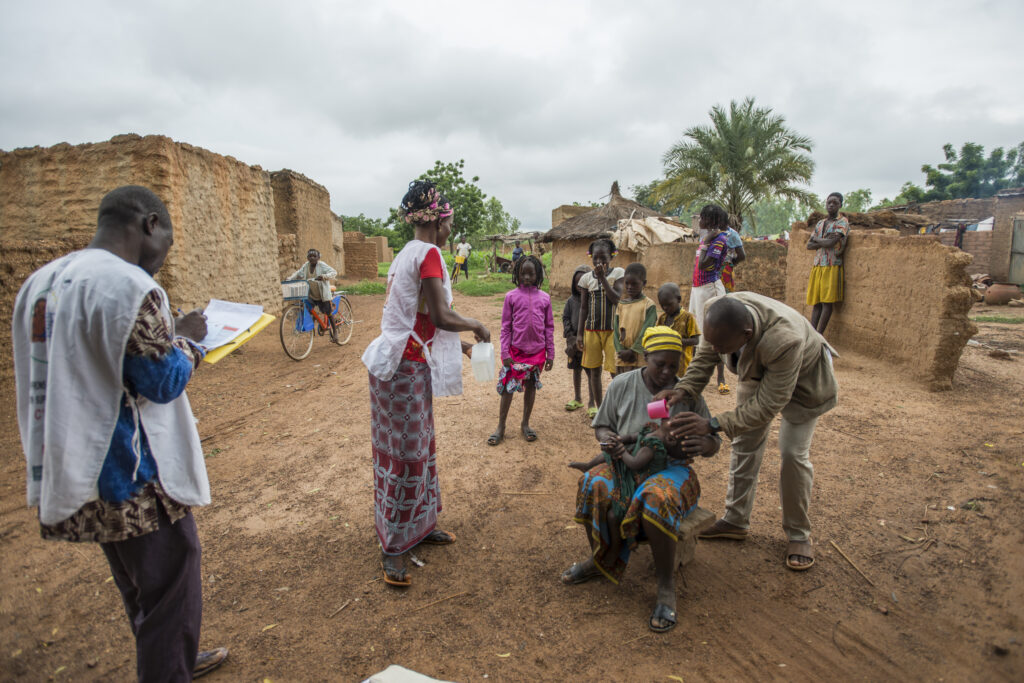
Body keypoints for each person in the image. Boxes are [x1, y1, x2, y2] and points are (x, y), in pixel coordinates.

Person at [11, 186, 229, 681]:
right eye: (167, 242)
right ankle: (168, 666)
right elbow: (160, 380)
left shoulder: (43, 281)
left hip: (74, 463)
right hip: (132, 472)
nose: (162, 258)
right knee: (173, 572)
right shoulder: (130, 287)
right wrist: (188, 341)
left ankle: (170, 653)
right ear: (151, 224)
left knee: (139, 580)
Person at [362, 180, 491, 588]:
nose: (451, 228)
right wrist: (476, 325)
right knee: (405, 455)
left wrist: (465, 348)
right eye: (450, 220)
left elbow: (416, 318)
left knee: (416, 450)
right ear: (437, 220)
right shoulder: (431, 254)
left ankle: (419, 526)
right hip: (405, 368)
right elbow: (439, 316)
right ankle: (394, 547)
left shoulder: (405, 254)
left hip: (397, 363)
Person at [657, 293, 838, 571]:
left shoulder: (785, 339)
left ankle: (799, 534)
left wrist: (713, 424)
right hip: (758, 368)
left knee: (793, 453)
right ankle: (736, 519)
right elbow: (706, 356)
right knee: (744, 442)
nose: (716, 350)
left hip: (805, 381)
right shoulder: (717, 315)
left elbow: (767, 405)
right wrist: (685, 389)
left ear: (746, 334)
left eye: (722, 346)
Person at [562, 327, 720, 633]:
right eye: (660, 363)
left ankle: (665, 587)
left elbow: (712, 439)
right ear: (645, 357)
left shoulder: (687, 393)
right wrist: (610, 442)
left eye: (674, 366)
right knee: (593, 483)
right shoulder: (622, 384)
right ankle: (601, 558)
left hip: (672, 468)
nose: (667, 372)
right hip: (627, 460)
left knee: (656, 497)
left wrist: (708, 445)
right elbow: (603, 426)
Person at [488, 255, 555, 446]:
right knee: (508, 388)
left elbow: (549, 327)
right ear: (517, 273)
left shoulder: (545, 298)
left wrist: (551, 353)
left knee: (531, 386)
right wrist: (505, 353)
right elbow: (505, 327)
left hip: (537, 353)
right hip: (515, 352)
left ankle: (525, 424)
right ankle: (501, 426)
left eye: (531, 273)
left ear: (538, 275)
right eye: (523, 273)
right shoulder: (511, 297)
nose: (526, 277)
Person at [575, 238, 624, 418]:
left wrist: (602, 278)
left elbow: (616, 298)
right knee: (594, 371)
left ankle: (618, 408)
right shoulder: (586, 279)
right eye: (595, 258)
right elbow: (583, 308)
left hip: (612, 331)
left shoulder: (618, 273)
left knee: (615, 371)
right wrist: (580, 334)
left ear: (611, 256)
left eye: (603, 258)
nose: (599, 262)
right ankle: (601, 407)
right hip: (591, 331)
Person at [690, 204, 731, 395]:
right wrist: (705, 241)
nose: (699, 221)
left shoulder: (719, 239)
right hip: (698, 288)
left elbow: (705, 264)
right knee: (698, 330)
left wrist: (706, 242)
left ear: (710, 220)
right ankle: (696, 374)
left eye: (702, 217)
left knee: (715, 331)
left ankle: (721, 377)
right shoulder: (707, 238)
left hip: (709, 289)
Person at [805, 192, 850, 335]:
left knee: (826, 302)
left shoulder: (842, 222)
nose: (831, 205)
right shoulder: (820, 223)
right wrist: (823, 241)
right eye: (829, 202)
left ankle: (819, 336)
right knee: (817, 302)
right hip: (818, 264)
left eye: (835, 203)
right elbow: (808, 246)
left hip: (831, 265)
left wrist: (817, 239)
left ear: (840, 205)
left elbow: (831, 243)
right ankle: (812, 334)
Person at [613, 263, 657, 375]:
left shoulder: (648, 305)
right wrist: (620, 350)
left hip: (639, 357)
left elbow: (647, 330)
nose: (629, 287)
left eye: (634, 284)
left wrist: (633, 351)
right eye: (626, 283)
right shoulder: (621, 305)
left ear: (644, 283)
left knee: (639, 386)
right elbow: (616, 330)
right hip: (622, 356)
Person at [288, 248, 339, 336]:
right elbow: (298, 273)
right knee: (306, 308)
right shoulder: (306, 266)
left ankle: (335, 332)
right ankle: (302, 327)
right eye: (310, 256)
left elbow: (334, 272)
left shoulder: (321, 265)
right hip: (312, 294)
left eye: (314, 256)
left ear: (318, 257)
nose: (312, 258)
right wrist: (289, 279)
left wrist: (324, 276)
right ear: (307, 257)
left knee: (328, 312)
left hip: (323, 295)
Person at [563, 266, 593, 412]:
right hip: (573, 341)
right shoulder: (571, 301)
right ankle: (578, 398)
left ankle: (593, 403)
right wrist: (570, 336)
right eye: (577, 283)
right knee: (576, 369)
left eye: (584, 282)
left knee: (591, 372)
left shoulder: (593, 301)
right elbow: (566, 318)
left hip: (590, 342)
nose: (581, 286)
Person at [656, 283, 700, 374]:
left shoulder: (688, 318)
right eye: (662, 305)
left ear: (678, 299)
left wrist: (675, 341)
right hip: (665, 367)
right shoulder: (662, 318)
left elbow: (696, 340)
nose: (665, 308)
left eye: (668, 304)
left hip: (682, 367)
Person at [721, 216, 746, 293]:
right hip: (725, 267)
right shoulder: (733, 233)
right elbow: (742, 255)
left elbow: (742, 255)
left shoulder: (732, 234)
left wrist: (731, 263)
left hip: (723, 268)